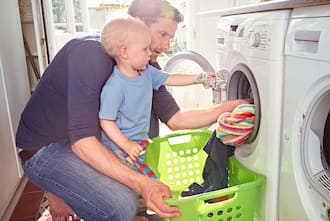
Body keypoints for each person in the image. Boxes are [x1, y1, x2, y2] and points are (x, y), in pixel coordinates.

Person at [15, 0, 248, 220]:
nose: (167, 45)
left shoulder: (142, 62)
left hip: (85, 139)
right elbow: (82, 142)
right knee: (120, 205)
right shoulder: (89, 54)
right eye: (163, 34)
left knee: (144, 123)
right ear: (136, 23)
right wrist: (141, 184)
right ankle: (59, 188)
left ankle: (75, 188)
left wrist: (229, 107)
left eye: (171, 37)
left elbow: (177, 119)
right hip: (45, 147)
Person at [99, 15, 219, 179]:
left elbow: (170, 78)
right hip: (118, 150)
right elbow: (106, 120)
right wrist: (126, 145)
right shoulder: (115, 87)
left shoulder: (147, 72)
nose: (150, 53)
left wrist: (198, 78)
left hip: (140, 143)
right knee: (132, 185)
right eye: (144, 49)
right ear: (124, 52)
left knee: (149, 181)